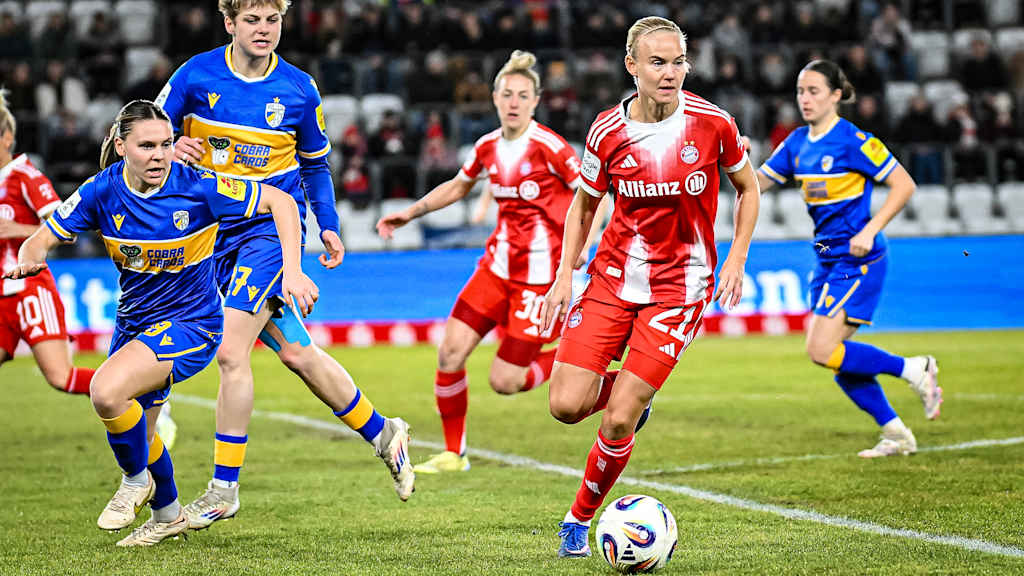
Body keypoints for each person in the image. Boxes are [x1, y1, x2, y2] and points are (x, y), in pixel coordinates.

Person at [4, 99, 316, 546]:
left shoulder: (199, 186)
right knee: (142, 433)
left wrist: (293, 271)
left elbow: (281, 201)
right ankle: (168, 514)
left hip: (193, 324)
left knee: (106, 391)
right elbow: (40, 239)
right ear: (121, 146)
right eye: (147, 146)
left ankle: (134, 481)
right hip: (134, 324)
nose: (160, 155)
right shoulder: (100, 191)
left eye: (166, 144)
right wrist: (28, 258)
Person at [158, 0, 414, 529]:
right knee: (299, 354)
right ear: (229, 23)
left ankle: (223, 490)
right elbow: (146, 135)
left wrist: (327, 225)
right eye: (252, 19)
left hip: (270, 232)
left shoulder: (299, 89)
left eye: (271, 20)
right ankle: (384, 432)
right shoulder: (194, 75)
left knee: (231, 351)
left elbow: (316, 167)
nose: (263, 29)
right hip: (211, 234)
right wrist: (171, 145)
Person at [540, 17, 760, 558]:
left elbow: (747, 187)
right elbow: (584, 204)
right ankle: (634, 394)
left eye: (678, 61)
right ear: (631, 66)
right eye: (657, 62)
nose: (670, 73)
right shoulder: (606, 131)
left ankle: (578, 520)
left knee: (617, 418)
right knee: (565, 405)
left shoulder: (713, 123)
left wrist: (737, 257)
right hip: (613, 278)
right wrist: (564, 275)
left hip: (680, 288)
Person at [377, 50, 605, 474]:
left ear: (535, 102)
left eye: (523, 95)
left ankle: (579, 358)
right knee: (449, 353)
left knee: (505, 381)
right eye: (507, 94)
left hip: (539, 279)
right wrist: (410, 213)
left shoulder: (551, 148)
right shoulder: (486, 146)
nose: (514, 102)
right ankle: (454, 453)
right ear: (495, 98)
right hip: (496, 269)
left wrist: (579, 255)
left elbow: (595, 197)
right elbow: (458, 186)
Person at [755, 60, 942, 459]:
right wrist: (729, 160)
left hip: (859, 259)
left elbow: (904, 184)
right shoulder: (796, 143)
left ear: (836, 95)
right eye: (800, 91)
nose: (804, 99)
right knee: (838, 360)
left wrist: (870, 229)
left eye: (814, 91)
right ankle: (896, 433)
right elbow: (755, 185)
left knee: (821, 350)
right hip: (827, 259)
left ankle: (913, 368)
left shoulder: (854, 141)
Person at [0, 90, 95, 397]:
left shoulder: (25, 176)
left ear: (7, 137)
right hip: (2, 296)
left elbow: (68, 229)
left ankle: (136, 393)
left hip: (29, 289)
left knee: (61, 377)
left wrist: (16, 228)